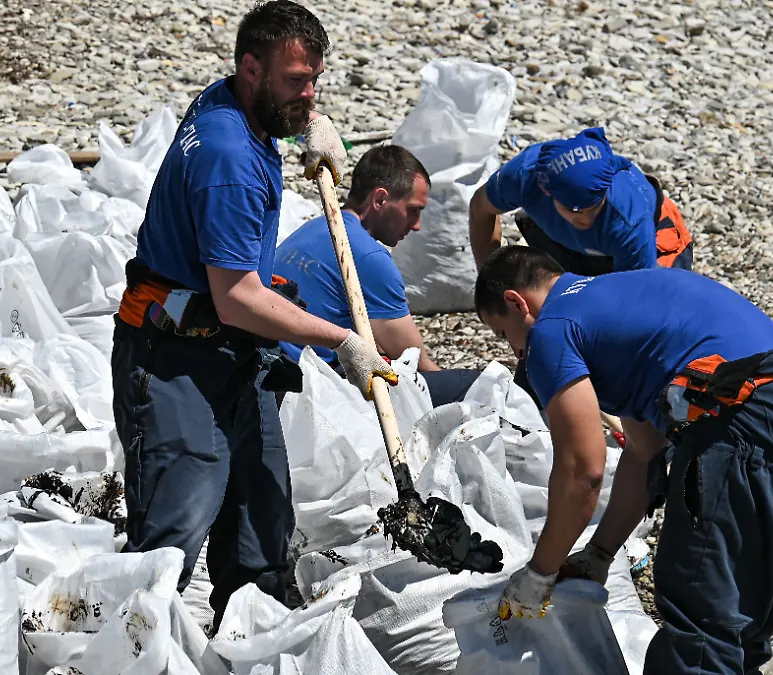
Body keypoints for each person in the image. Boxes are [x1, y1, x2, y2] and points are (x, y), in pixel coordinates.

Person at [110, 0, 398, 634]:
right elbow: (238, 293)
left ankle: (253, 640)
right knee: (172, 535)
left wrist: (311, 127)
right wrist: (342, 340)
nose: (309, 92)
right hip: (174, 362)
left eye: (315, 80)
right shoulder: (228, 161)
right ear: (250, 68)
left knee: (262, 524)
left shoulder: (233, 102)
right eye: (297, 82)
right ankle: (136, 644)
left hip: (234, 355)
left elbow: (276, 110)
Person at [473, 245, 773, 675]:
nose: (515, 351)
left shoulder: (551, 330)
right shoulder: (614, 300)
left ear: (517, 302)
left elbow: (582, 471)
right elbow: (643, 451)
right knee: (742, 612)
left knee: (701, 619)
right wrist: (600, 553)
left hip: (738, 422)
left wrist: (540, 572)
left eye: (504, 334)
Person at [469, 126, 696, 399]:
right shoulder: (526, 176)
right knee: (548, 317)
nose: (585, 219)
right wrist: (493, 287)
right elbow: (481, 208)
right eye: (575, 210)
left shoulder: (628, 221)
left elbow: (636, 313)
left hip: (651, 245)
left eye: (593, 206)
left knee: (654, 345)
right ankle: (535, 389)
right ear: (547, 192)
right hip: (561, 237)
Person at [273, 144, 483, 407]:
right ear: (380, 200)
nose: (416, 225)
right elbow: (416, 363)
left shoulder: (314, 227)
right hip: (310, 389)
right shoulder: (368, 257)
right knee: (470, 385)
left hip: (271, 370)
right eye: (413, 210)